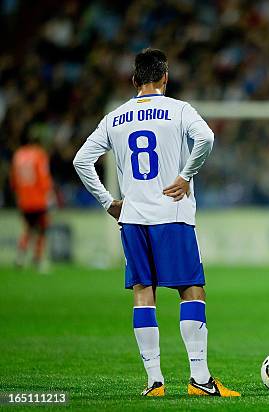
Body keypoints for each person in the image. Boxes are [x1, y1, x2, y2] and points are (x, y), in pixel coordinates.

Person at [73, 48, 239, 398]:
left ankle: (154, 382)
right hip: (171, 213)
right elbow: (207, 138)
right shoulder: (179, 109)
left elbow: (81, 161)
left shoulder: (114, 117)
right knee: (191, 290)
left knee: (142, 294)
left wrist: (108, 202)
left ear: (134, 81)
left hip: (132, 217)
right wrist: (185, 175)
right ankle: (200, 379)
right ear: (166, 78)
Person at [11, 135, 53, 271]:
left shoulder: (18, 155)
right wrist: (49, 195)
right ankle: (38, 259)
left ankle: (20, 257)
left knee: (28, 229)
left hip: (24, 199)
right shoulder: (39, 155)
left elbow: (13, 180)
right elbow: (43, 177)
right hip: (38, 199)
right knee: (41, 230)